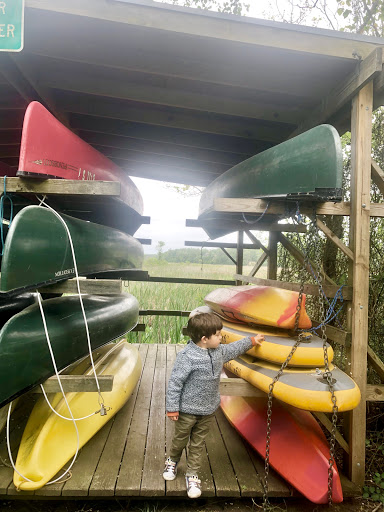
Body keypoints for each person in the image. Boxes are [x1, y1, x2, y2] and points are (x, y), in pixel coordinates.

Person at [163, 312, 264, 499]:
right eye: (218, 335)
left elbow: (234, 348)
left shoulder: (219, 352)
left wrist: (252, 341)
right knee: (180, 439)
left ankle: (192, 474)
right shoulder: (187, 357)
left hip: (208, 410)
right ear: (204, 339)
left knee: (198, 443)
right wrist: (172, 408)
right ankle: (173, 460)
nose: (221, 337)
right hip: (187, 411)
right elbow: (175, 383)